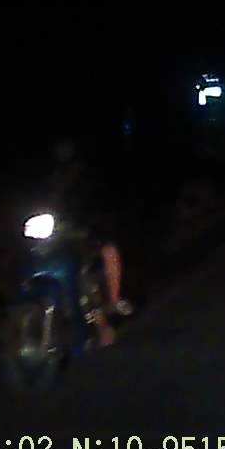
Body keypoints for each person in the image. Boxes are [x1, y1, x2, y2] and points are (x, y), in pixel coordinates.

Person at [48, 139, 133, 344]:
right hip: (63, 232)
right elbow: (47, 203)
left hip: (88, 228)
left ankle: (114, 300)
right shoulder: (54, 177)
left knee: (108, 251)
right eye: (60, 148)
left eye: (66, 148)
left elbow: (98, 199)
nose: (63, 151)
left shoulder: (87, 174)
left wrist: (93, 220)